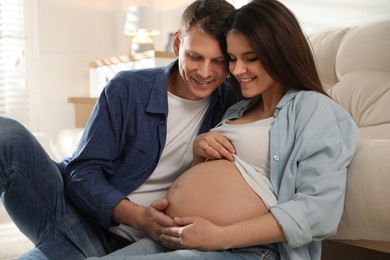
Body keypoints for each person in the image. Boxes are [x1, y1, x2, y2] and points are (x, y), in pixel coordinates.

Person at [88, 0, 359, 259]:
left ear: (279, 53)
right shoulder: (237, 108)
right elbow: (212, 178)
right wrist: (198, 151)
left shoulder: (315, 109)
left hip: (241, 248)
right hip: (170, 239)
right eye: (232, 58)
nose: (238, 70)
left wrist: (220, 236)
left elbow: (320, 211)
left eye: (250, 58)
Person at [0, 0, 239, 259]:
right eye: (195, 56)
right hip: (81, 216)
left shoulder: (234, 104)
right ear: (178, 44)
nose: (205, 72)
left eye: (219, 61)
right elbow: (82, 173)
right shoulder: (127, 88)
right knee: (6, 134)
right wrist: (139, 217)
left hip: (140, 246)